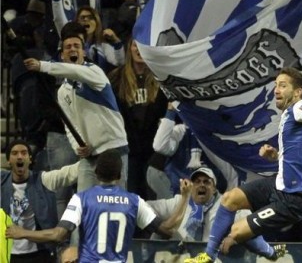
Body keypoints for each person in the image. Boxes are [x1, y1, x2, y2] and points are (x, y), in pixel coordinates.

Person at [184, 67, 302, 263]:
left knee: (236, 232)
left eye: (282, 86)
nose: (276, 90)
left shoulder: (299, 107)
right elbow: (297, 159)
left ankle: (271, 252)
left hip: (293, 200)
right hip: (279, 185)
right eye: (275, 85)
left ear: (297, 92)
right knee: (229, 198)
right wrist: (275, 156)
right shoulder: (287, 117)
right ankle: (208, 256)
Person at [6, 148, 191, 262]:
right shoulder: (134, 201)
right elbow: (167, 230)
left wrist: (22, 233)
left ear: (95, 173)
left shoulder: (82, 199)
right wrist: (184, 198)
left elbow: (57, 234)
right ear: (119, 175)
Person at [22, 33, 129, 193]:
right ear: (62, 55)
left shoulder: (95, 72)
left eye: (77, 46)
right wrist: (78, 146)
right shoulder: (63, 91)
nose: (73, 49)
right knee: (82, 205)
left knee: (116, 203)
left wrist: (43, 66)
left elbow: (76, 72)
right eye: (68, 47)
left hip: (113, 148)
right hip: (89, 155)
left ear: (84, 52)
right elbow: (69, 124)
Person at [108, 37, 168, 199]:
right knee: (132, 194)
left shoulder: (160, 77)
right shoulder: (116, 78)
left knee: (153, 196)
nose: (139, 50)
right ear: (129, 48)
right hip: (128, 148)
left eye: (143, 45)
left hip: (154, 149)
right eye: (135, 45)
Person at [1, 139, 80, 262]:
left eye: (24, 153)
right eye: (15, 153)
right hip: (8, 254)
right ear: (9, 160)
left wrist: (90, 155)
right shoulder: (2, 181)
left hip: (39, 254)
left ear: (30, 159)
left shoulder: (43, 180)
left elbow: (67, 174)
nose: (20, 156)